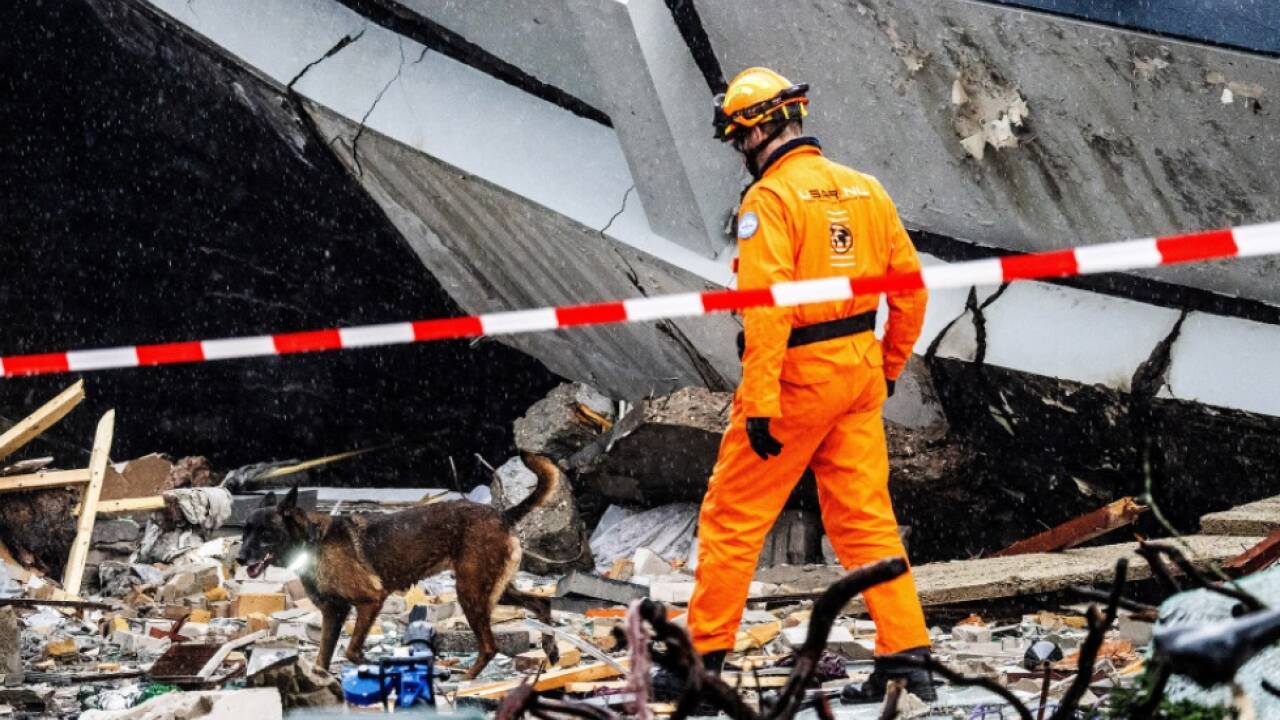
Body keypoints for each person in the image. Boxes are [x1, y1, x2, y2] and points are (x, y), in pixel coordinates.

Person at [687, 66, 934, 703]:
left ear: (757, 129)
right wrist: (885, 368)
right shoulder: (865, 190)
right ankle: (907, 659)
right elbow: (909, 291)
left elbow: (767, 309)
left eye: (738, 139)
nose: (740, 153)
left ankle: (703, 661)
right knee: (866, 521)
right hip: (856, 372)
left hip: (795, 378)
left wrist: (762, 403)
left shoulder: (769, 201)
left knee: (734, 516)